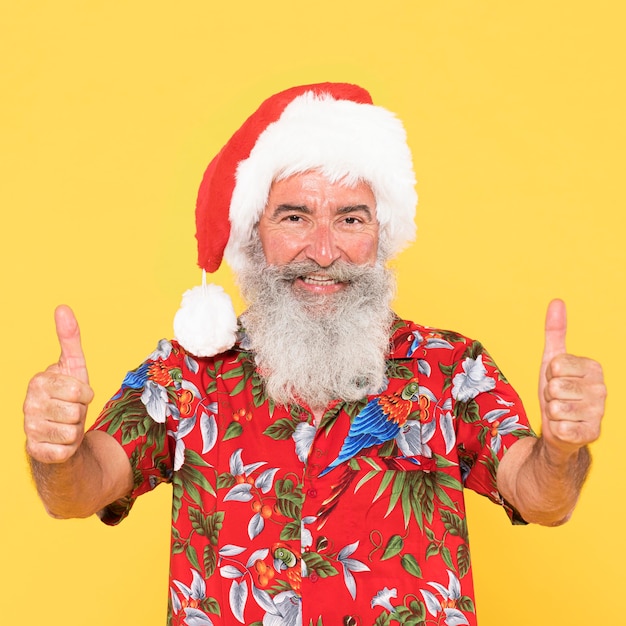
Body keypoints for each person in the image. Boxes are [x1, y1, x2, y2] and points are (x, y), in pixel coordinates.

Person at [23, 83, 605, 626]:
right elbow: (83, 488)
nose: (324, 252)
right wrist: (57, 452)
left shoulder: (449, 368)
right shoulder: (186, 374)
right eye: (295, 216)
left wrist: (559, 450)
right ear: (255, 234)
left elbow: (541, 499)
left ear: (381, 234)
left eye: (350, 218)